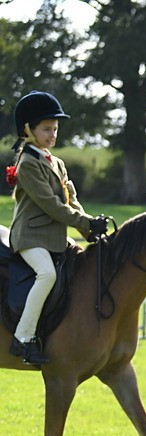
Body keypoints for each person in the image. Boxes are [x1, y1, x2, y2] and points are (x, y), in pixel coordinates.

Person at [7, 91, 107, 367]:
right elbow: (53, 206)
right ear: (28, 130)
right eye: (46, 129)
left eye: (55, 129)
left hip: (53, 238)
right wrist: (85, 223)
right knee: (47, 274)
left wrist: (90, 230)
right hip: (30, 237)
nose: (52, 135)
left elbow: (71, 200)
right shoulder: (28, 164)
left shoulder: (56, 162)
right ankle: (23, 338)